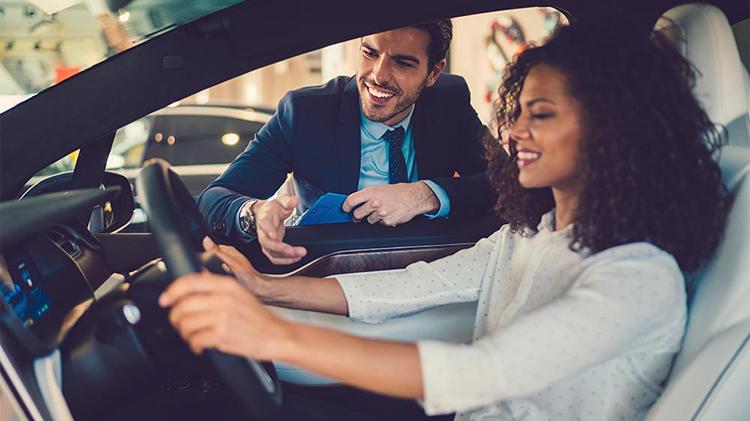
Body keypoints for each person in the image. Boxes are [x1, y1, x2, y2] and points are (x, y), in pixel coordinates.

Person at [161, 23, 729, 420]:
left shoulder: (638, 278)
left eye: (544, 115)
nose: (516, 133)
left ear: (613, 131)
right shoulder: (534, 235)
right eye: (520, 112)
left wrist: (271, 332)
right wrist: (267, 288)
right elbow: (415, 284)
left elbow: (483, 370)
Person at [198, 20, 497, 265]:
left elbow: (507, 182)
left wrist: (424, 196)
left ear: (433, 72)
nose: (378, 76)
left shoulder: (450, 101)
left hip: (432, 269)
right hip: (331, 270)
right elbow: (214, 199)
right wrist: (254, 214)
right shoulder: (305, 113)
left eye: (403, 63)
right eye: (369, 53)